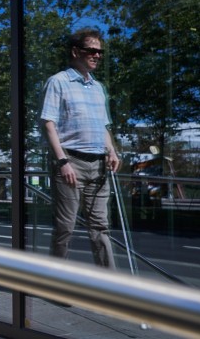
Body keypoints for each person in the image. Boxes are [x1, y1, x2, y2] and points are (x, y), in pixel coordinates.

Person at [40, 27, 120, 269]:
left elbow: (103, 126)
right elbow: (47, 123)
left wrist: (113, 151)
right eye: (91, 51)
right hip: (71, 164)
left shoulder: (98, 88)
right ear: (76, 52)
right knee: (65, 227)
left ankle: (111, 286)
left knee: (100, 227)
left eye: (100, 52)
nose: (97, 55)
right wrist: (62, 161)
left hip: (98, 165)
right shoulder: (58, 82)